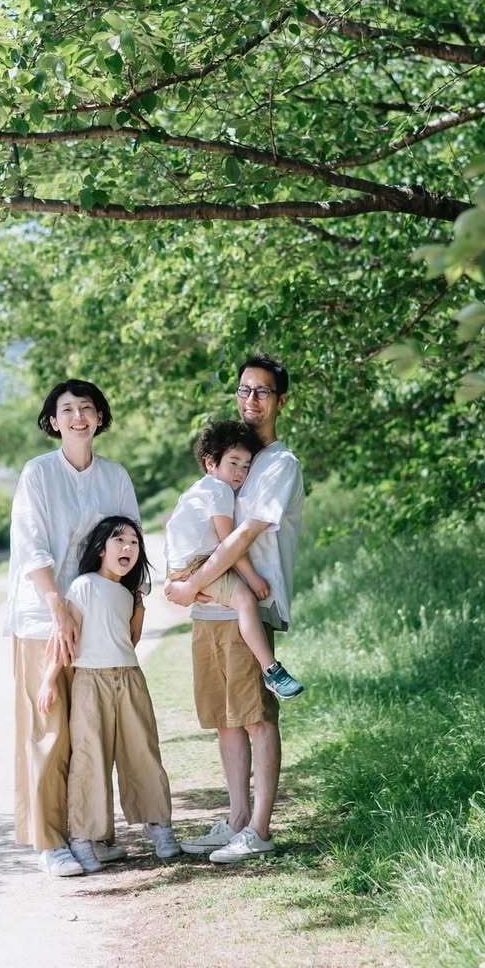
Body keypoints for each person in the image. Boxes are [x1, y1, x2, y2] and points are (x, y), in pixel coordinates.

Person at [164, 354, 304, 864]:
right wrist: (193, 587)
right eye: (244, 390)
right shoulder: (232, 456)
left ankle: (260, 828)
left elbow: (244, 533)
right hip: (210, 608)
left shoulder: (278, 463)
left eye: (262, 391)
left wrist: (190, 584)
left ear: (280, 400)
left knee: (256, 719)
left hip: (250, 607)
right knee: (227, 720)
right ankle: (238, 818)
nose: (251, 399)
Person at [7, 379, 140, 877]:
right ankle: (50, 840)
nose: (79, 416)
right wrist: (57, 608)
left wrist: (130, 612)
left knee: (90, 729)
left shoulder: (115, 476)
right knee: (49, 727)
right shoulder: (38, 474)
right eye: (68, 409)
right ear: (53, 421)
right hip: (44, 616)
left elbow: (131, 544)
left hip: (97, 618)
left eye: (87, 408)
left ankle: (90, 831)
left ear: (100, 418)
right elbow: (32, 547)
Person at [37, 515, 180, 870]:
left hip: (129, 677)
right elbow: (66, 636)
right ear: (101, 549)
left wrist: (139, 604)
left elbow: (129, 640)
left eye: (134, 542)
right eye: (120, 540)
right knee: (90, 758)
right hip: (90, 680)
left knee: (143, 753)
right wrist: (48, 680)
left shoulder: (127, 594)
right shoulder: (83, 585)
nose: (128, 547)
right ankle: (83, 839)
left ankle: (159, 827)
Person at [166, 420, 303, 699]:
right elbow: (228, 541)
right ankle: (271, 671)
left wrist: (175, 577)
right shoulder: (220, 491)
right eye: (233, 463)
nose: (240, 472)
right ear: (210, 463)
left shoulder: (197, 489)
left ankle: (269, 670)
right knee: (245, 601)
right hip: (197, 564)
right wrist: (252, 577)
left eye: (246, 466)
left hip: (184, 565)